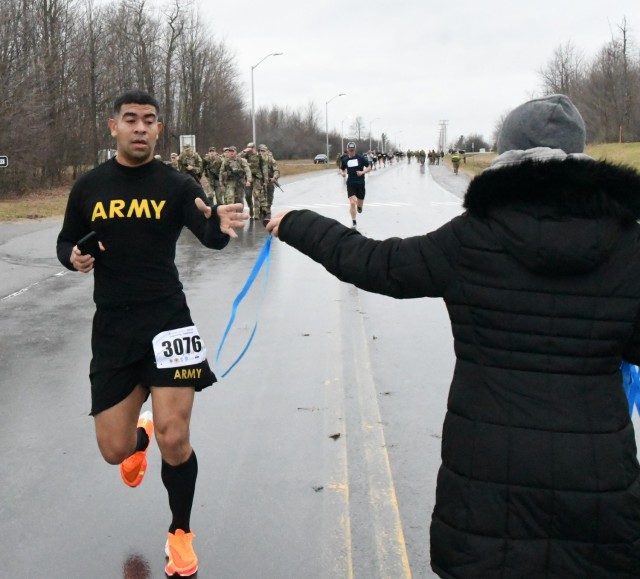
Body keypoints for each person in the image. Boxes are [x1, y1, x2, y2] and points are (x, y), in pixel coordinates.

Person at [266, 94, 640, 577]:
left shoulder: (474, 235)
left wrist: (299, 222)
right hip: (596, 476)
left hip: (488, 473)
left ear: (506, 158)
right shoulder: (629, 244)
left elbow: (376, 263)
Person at [56, 90, 248, 578]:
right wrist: (73, 257)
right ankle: (137, 438)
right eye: (131, 120)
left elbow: (208, 235)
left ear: (159, 129)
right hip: (115, 329)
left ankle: (180, 534)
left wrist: (222, 226)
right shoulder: (89, 187)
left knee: (175, 437)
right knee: (113, 451)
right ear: (113, 127)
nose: (140, 128)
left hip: (168, 322)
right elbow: (66, 241)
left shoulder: (177, 185)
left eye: (149, 121)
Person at [339, 141, 371, 228]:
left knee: (359, 204)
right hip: (350, 183)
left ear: (355, 150)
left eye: (353, 150)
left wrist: (362, 172)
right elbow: (341, 169)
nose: (351, 152)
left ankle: (360, 207)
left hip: (360, 184)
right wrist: (342, 173)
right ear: (347, 150)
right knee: (352, 202)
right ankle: (353, 221)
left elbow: (369, 167)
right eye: (350, 150)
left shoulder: (361, 158)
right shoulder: (345, 160)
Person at [258, 144, 280, 223]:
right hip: (260, 181)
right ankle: (261, 208)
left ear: (267, 151)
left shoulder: (271, 160)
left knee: (270, 195)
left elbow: (276, 170)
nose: (261, 152)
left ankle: (268, 207)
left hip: (269, 180)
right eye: (260, 151)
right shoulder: (257, 159)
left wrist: (274, 177)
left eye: (263, 151)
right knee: (259, 195)